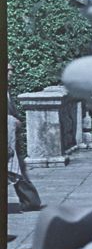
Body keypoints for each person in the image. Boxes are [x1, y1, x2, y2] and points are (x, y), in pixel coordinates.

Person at [7, 64, 42, 216]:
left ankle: (31, 201)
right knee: (16, 169)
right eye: (7, 70)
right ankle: (31, 201)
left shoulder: (6, 89)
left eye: (11, 69)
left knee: (18, 168)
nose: (11, 73)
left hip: (11, 137)